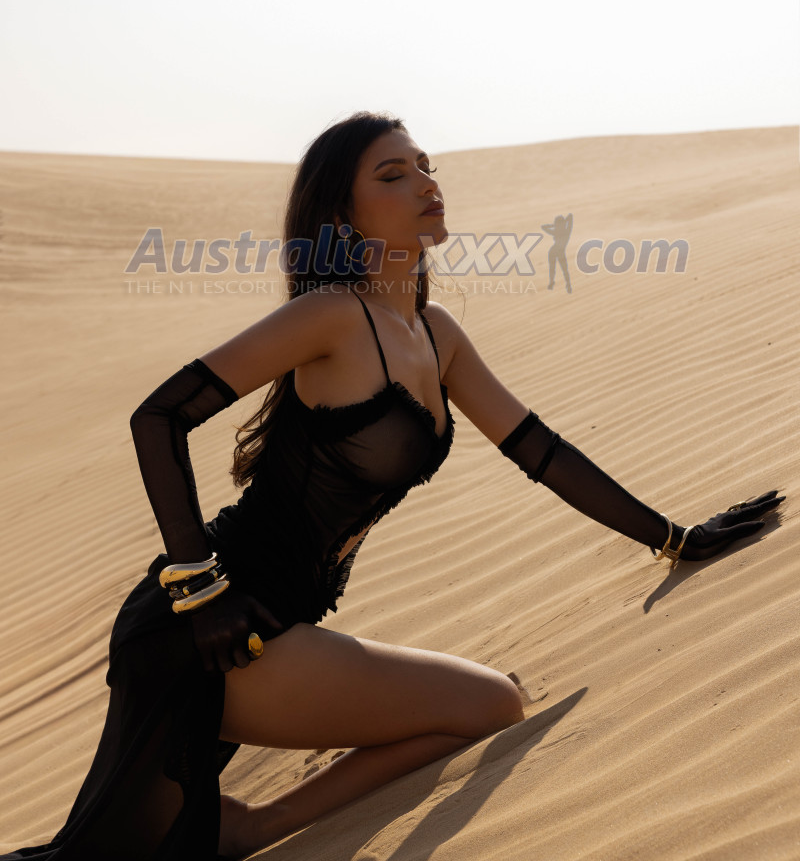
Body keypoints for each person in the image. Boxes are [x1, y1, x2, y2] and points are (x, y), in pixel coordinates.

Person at [3, 111, 782, 861]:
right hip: (218, 628)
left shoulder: (435, 333)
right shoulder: (331, 316)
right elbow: (159, 416)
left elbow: (540, 451)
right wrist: (199, 589)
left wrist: (673, 538)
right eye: (393, 174)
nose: (425, 183)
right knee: (492, 705)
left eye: (426, 167)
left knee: (486, 704)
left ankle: (246, 827)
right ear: (342, 216)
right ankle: (250, 831)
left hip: (281, 619)